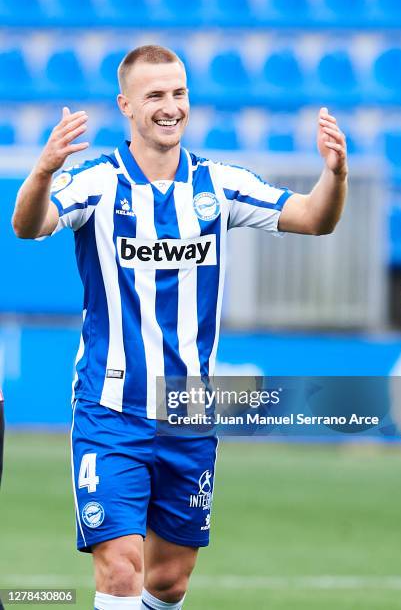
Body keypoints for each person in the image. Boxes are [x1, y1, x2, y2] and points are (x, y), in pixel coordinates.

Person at [12, 45, 348, 610]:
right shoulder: (96, 183)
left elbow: (315, 218)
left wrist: (334, 174)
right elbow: (29, 224)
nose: (170, 107)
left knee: (168, 580)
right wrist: (45, 170)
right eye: (155, 96)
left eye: (179, 93)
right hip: (109, 406)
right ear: (126, 105)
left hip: (188, 409)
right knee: (121, 568)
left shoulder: (217, 185)